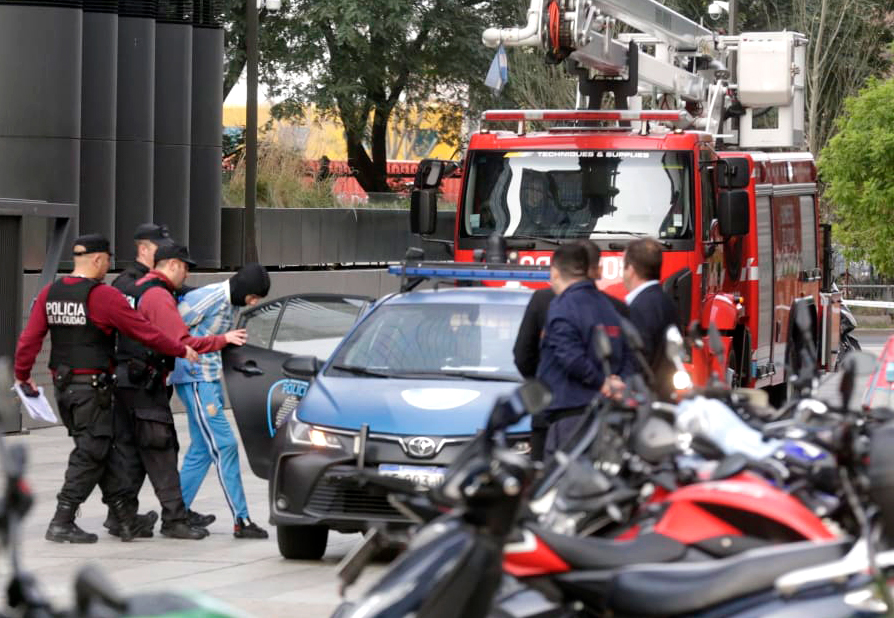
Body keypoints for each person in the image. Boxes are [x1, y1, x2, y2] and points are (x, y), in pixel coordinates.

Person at [13, 234, 199, 543]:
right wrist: (181, 349)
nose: (109, 268)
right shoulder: (102, 296)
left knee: (106, 452)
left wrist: (23, 375)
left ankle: (125, 519)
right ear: (98, 260)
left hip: (65, 389)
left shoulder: (51, 293)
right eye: (108, 261)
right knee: (91, 452)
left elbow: (30, 338)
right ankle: (63, 518)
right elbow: (145, 332)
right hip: (93, 390)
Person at [117, 242, 248, 540]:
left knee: (132, 452)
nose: (186, 274)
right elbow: (179, 339)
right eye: (186, 267)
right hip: (144, 381)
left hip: (126, 379)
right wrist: (219, 340)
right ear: (173, 264)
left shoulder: (134, 288)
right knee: (161, 450)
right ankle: (174, 519)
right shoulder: (158, 295)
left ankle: (125, 516)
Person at [170, 263, 272, 539]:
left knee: (202, 449)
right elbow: (172, 331)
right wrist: (221, 339)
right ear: (244, 290)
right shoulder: (208, 298)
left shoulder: (233, 304)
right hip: (195, 379)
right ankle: (242, 519)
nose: (254, 302)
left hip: (208, 381)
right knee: (225, 445)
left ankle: (175, 512)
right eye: (253, 297)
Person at [103, 222, 173, 538]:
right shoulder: (128, 285)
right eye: (159, 246)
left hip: (140, 377)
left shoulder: (144, 284)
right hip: (134, 377)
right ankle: (122, 514)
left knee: (133, 449)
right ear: (143, 249)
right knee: (143, 446)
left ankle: (121, 513)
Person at [536, 243, 632, 456]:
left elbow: (570, 356)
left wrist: (602, 383)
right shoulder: (608, 306)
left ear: (554, 272)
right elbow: (628, 353)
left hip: (571, 417)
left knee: (564, 482)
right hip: (608, 414)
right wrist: (617, 383)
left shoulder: (562, 306)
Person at [623, 237, 680, 400]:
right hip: (664, 395)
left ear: (631, 270)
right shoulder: (666, 301)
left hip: (645, 401)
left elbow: (640, 358)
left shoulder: (640, 307)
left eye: (623, 267)